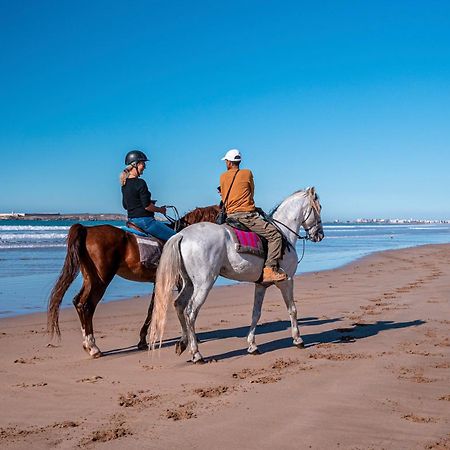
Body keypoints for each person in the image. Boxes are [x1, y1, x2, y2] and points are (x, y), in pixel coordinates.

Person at [219, 149, 287, 283]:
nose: (226, 163)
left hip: (230, 215)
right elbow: (251, 192)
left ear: (229, 162)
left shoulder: (223, 176)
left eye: (226, 161)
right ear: (238, 161)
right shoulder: (247, 173)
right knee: (275, 235)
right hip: (246, 215)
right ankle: (269, 269)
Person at [120, 150, 176, 242]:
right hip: (145, 222)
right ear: (135, 165)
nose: (145, 167)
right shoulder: (140, 183)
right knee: (177, 238)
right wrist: (160, 210)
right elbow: (147, 206)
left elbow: (125, 205)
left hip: (131, 221)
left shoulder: (124, 184)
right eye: (143, 164)